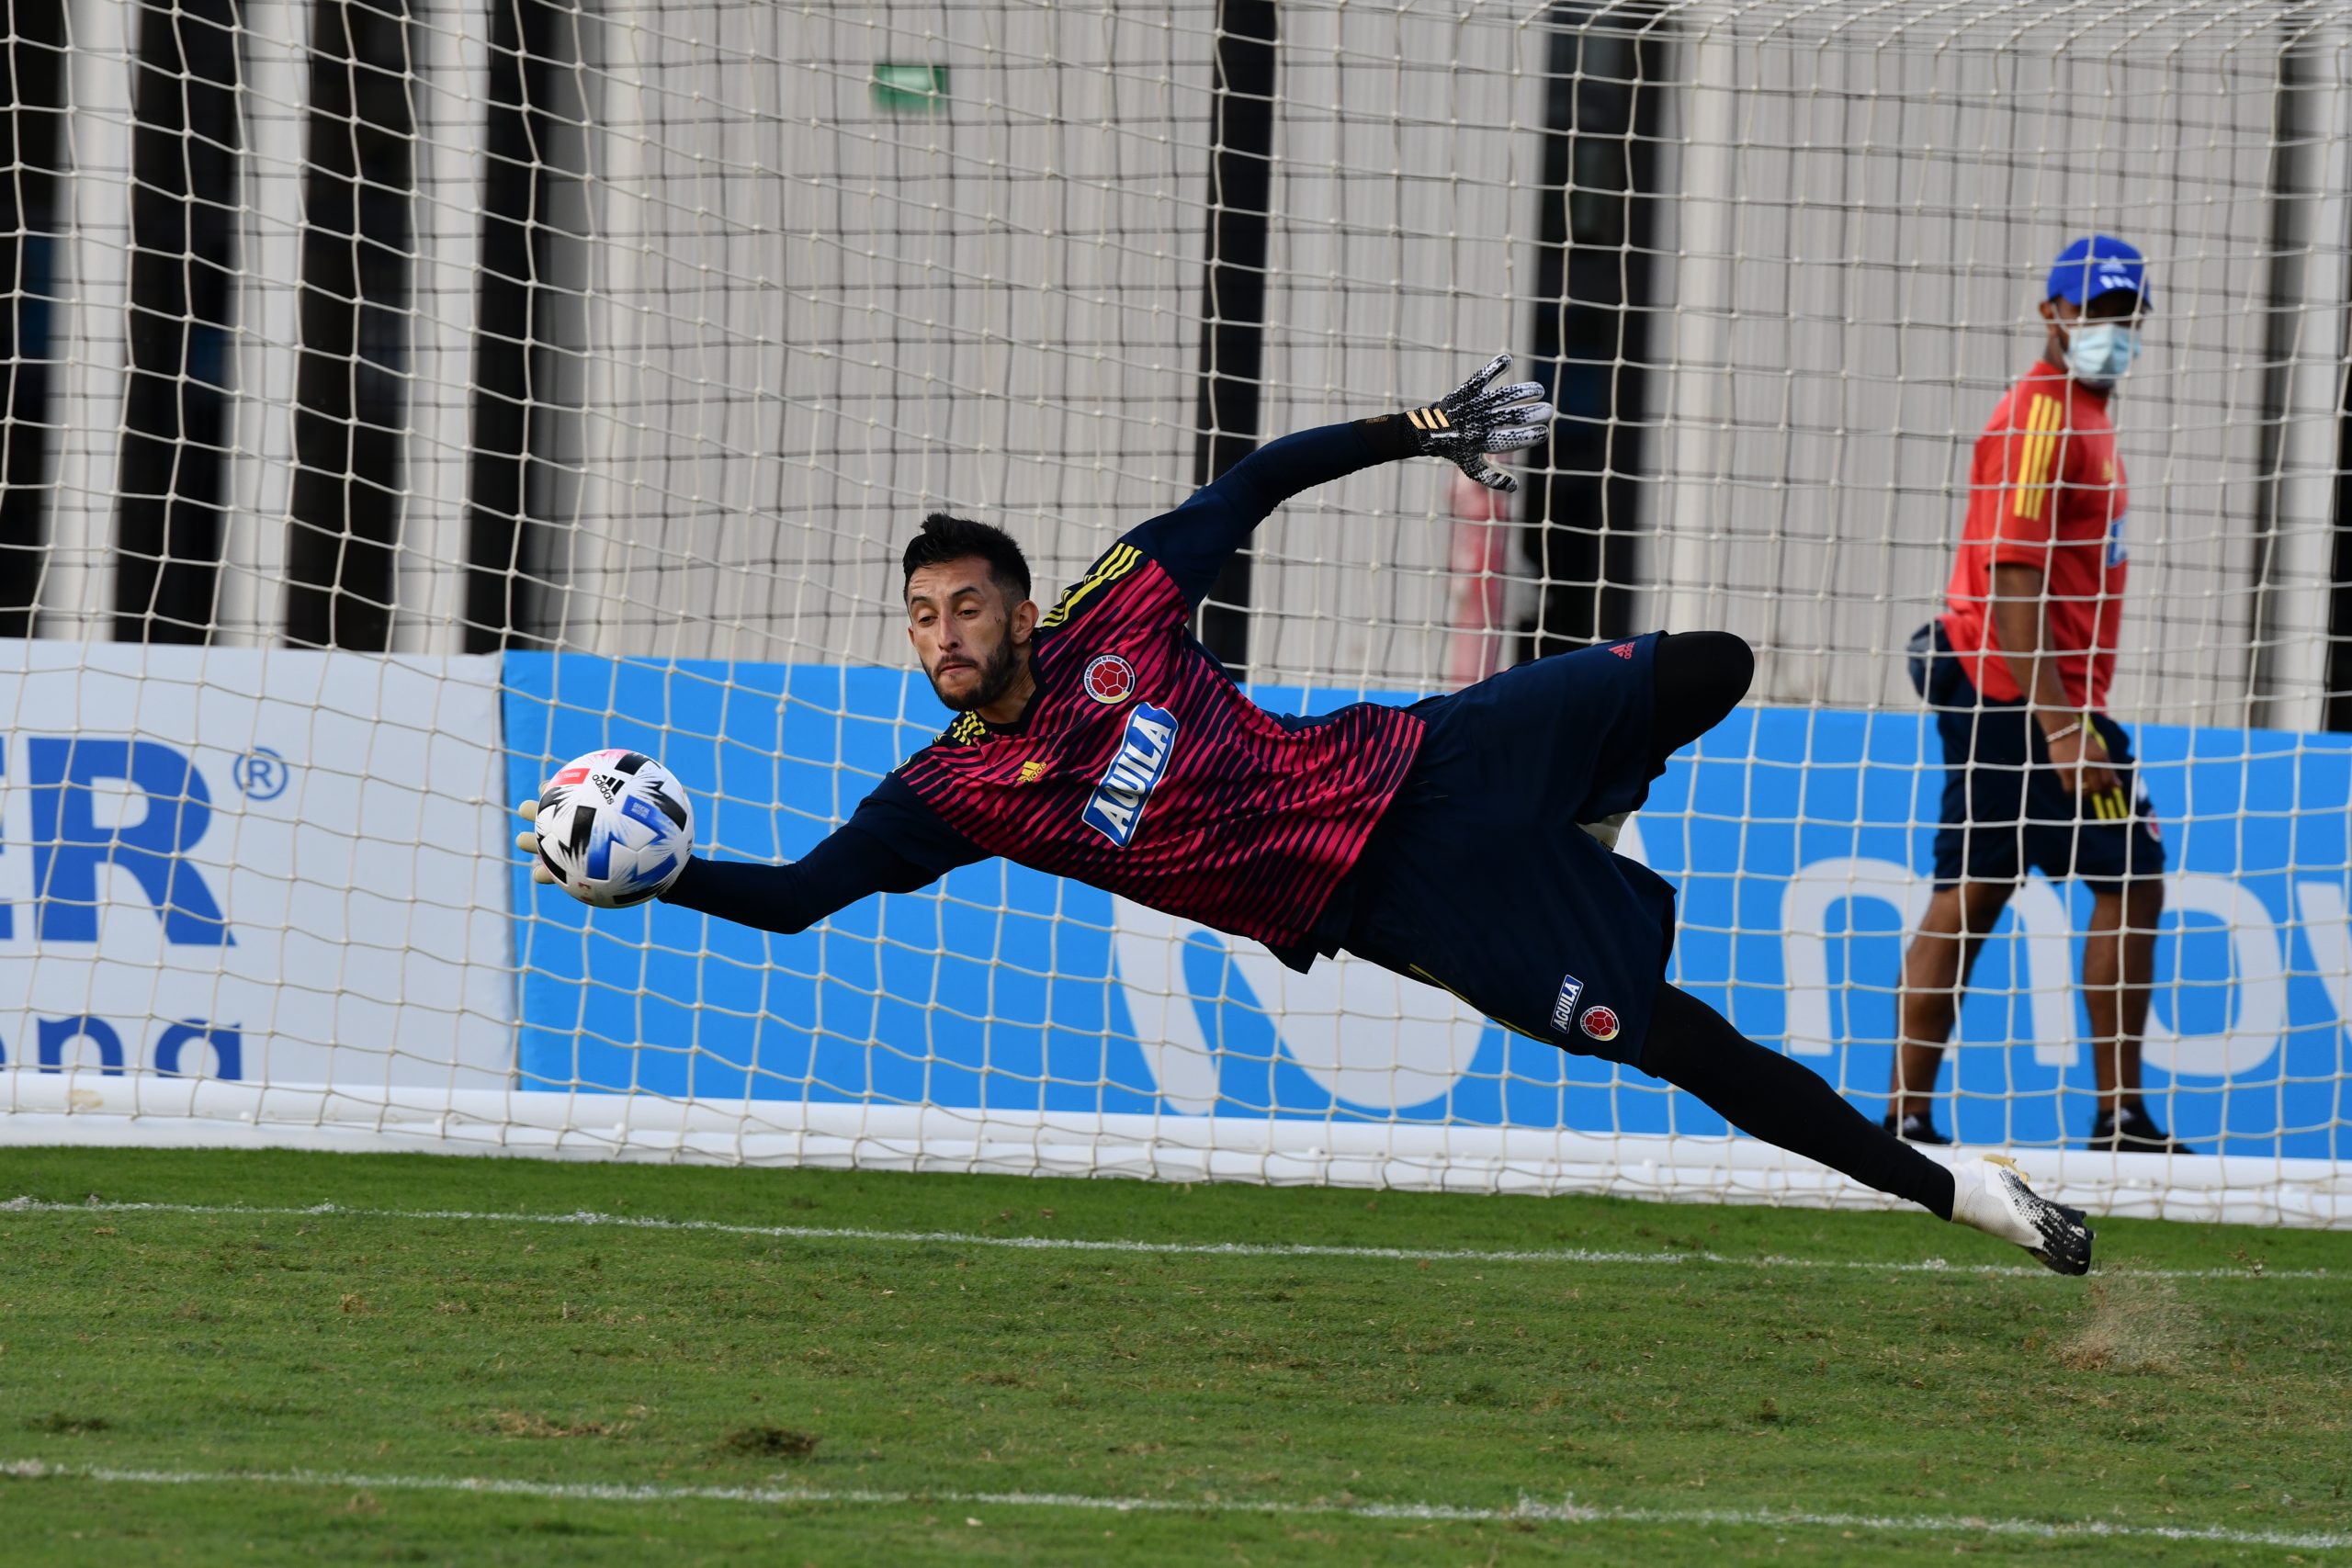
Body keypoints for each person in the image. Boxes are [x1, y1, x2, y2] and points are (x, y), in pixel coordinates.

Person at [520, 355, 2096, 1273]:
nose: (944, 634)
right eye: (923, 615)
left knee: (1712, 664)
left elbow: (1257, 482)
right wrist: (654, 876)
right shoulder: (950, 791)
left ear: (1021, 605)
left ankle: (1588, 830)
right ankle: (1960, 1191)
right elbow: (799, 895)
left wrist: (1424, 427)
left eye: (968, 605)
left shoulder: (1123, 605)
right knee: (1671, 1037)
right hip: (1395, 904)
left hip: (1428, 755)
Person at [1888, 236, 2191, 1155]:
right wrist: (2062, 726)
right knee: (2055, 882)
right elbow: (2012, 575)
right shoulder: (2042, 416)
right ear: (2051, 312)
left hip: (2039, 696)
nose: (2112, 329)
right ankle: (1921, 1119)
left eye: (2125, 314)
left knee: (2034, 884)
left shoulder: (2085, 412)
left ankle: (1928, 1118)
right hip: (2014, 697)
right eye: (2095, 311)